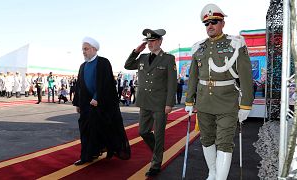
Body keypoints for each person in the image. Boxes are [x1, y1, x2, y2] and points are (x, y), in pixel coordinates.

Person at [184, 4, 254, 180]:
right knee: (206, 140)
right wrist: (189, 101)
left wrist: (246, 104)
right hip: (204, 102)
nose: (210, 26)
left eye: (214, 22)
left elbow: (246, 77)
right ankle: (213, 173)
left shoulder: (235, 44)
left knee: (224, 143)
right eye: (207, 23)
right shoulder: (198, 48)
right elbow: (193, 76)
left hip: (227, 102)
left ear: (222, 23)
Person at [124, 28, 177, 177]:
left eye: (153, 41)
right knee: (143, 131)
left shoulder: (168, 59)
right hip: (145, 101)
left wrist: (169, 103)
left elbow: (172, 83)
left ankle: (156, 164)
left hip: (160, 103)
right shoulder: (142, 58)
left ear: (160, 41)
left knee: (159, 134)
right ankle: (158, 150)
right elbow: (127, 65)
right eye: (148, 41)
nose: (150, 44)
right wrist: (136, 51)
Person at [73, 36, 130, 166]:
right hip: (86, 105)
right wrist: (77, 103)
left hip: (101, 104)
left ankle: (106, 149)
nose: (84, 52)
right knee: (86, 130)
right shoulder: (82, 66)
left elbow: (107, 83)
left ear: (94, 49)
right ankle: (87, 155)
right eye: (83, 49)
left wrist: (97, 97)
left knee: (104, 128)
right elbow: (79, 86)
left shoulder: (103, 62)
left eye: (86, 49)